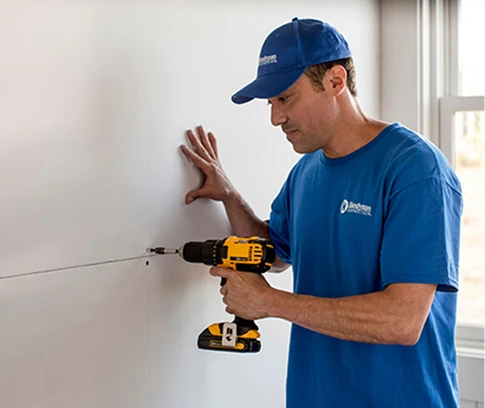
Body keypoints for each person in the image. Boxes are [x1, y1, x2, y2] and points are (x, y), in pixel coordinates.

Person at [181, 17, 462, 407]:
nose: (276, 118)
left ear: (335, 81)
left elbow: (402, 320)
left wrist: (271, 303)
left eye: (286, 98)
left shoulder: (415, 169)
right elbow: (274, 253)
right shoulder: (307, 172)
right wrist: (229, 195)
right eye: (272, 103)